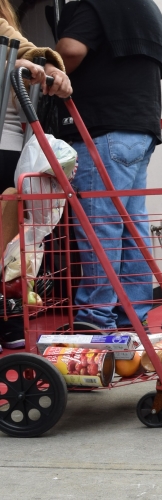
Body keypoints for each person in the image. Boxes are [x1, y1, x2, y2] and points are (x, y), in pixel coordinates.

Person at [55, 0, 162, 330]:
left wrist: (46, 62)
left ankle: (95, 320)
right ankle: (132, 318)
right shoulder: (148, 10)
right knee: (133, 228)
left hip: (102, 132)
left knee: (99, 229)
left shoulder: (94, 4)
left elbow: (71, 50)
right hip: (140, 130)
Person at [0, 1, 72, 349]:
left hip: (8, 146)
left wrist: (45, 66)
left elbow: (26, 49)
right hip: (8, 146)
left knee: (11, 241)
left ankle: (9, 321)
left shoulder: (2, 27)